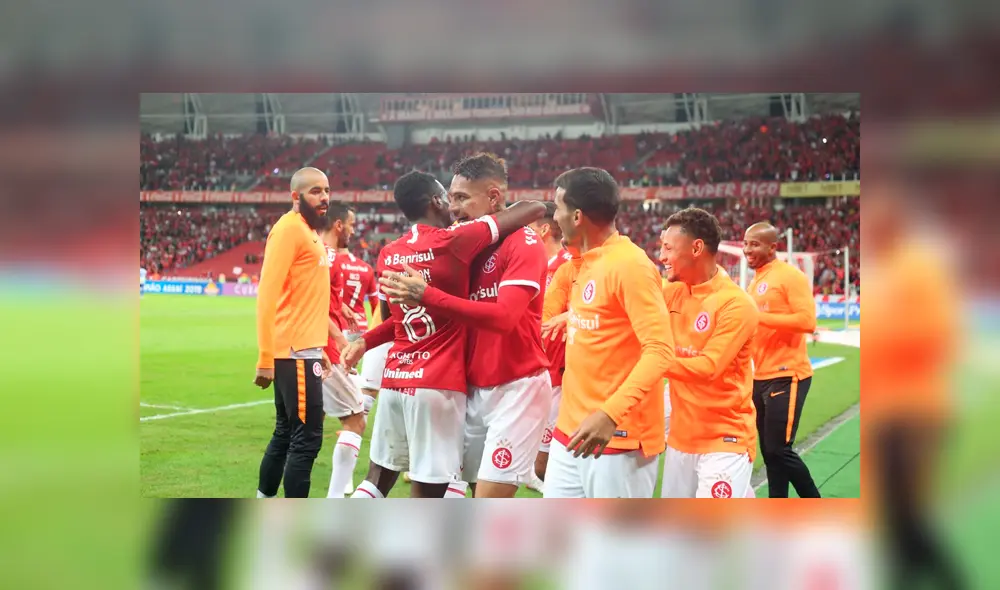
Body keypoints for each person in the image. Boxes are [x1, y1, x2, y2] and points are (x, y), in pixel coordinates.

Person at [341, 170, 546, 499]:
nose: (454, 207)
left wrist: (367, 340)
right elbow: (534, 207)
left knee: (377, 479)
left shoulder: (390, 252)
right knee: (435, 488)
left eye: (461, 198)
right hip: (438, 383)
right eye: (449, 198)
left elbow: (405, 317)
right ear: (436, 200)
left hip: (397, 377)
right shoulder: (455, 242)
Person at [543, 167, 674, 499]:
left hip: (617, 437)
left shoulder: (630, 265)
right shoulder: (582, 263)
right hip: (569, 432)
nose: (554, 217)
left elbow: (660, 350)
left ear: (576, 216)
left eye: (558, 208)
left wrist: (610, 413)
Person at [658, 207, 759, 499]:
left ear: (697, 247)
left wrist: (652, 360)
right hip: (680, 439)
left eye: (667, 248)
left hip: (724, 439)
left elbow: (708, 367)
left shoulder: (735, 304)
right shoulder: (672, 292)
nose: (662, 257)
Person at [254, 167, 333, 499]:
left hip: (305, 348)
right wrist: (264, 357)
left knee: (286, 433)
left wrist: (322, 345)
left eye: (327, 190)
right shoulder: (288, 230)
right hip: (294, 353)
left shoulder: (308, 231)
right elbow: (267, 294)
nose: (324, 197)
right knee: (307, 439)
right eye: (315, 191)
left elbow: (305, 298)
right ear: (295, 196)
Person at [743, 222, 821, 498]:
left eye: (754, 244)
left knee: (779, 449)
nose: (746, 249)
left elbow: (807, 321)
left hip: (788, 374)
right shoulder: (755, 281)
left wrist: (758, 317)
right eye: (745, 243)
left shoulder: (790, 276)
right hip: (760, 375)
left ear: (772, 247)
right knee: (770, 453)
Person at [319, 202, 367, 498]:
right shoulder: (328, 257)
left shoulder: (323, 254)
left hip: (315, 346)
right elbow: (313, 305)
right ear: (338, 225)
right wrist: (340, 341)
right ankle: (337, 496)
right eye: (350, 224)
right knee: (355, 418)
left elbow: (322, 297)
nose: (352, 229)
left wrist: (342, 306)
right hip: (326, 350)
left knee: (307, 425)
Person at [531, 203, 574, 490]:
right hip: (537, 370)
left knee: (545, 464)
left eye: (528, 228)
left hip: (562, 376)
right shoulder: (535, 265)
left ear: (544, 229)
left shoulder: (570, 265)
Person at [332, 237, 380, 414]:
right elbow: (376, 303)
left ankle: (355, 412)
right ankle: (357, 410)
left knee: (337, 370)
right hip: (360, 326)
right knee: (349, 368)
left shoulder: (334, 262)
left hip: (340, 324)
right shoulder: (366, 268)